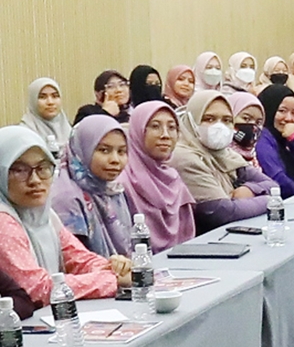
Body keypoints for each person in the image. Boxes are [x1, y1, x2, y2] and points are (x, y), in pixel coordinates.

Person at [0, 127, 125, 304]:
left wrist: (114, 267)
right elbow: (37, 289)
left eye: (43, 168)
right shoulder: (3, 222)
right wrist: (113, 280)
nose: (35, 180)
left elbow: (78, 259)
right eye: (20, 170)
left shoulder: (45, 215)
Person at [169, 91, 274, 235]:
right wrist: (268, 200)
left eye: (227, 120)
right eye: (209, 119)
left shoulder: (227, 155)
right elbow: (221, 211)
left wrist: (249, 189)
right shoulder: (184, 157)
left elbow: (273, 186)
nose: (219, 126)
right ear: (192, 121)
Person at [51, 116, 136, 258]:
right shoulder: (67, 199)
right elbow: (76, 262)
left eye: (121, 151)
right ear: (82, 149)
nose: (115, 160)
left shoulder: (113, 189)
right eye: (104, 150)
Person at [120, 102, 196, 251]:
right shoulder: (122, 182)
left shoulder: (173, 179)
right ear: (138, 131)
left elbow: (187, 241)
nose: (165, 135)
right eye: (155, 126)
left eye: (172, 128)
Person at [253, 85, 294, 197]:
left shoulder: (286, 137)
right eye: (282, 111)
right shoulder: (261, 138)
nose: (289, 118)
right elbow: (277, 178)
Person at [20, 78, 71, 158]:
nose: (50, 102)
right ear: (33, 100)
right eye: (42, 97)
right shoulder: (25, 134)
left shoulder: (69, 129)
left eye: (55, 96)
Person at [227, 92, 267, 167]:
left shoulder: (253, 158)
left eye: (258, 122)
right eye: (246, 118)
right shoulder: (220, 156)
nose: (253, 126)